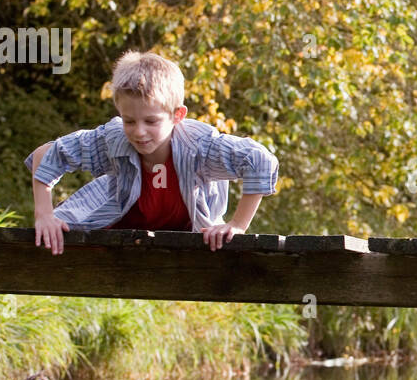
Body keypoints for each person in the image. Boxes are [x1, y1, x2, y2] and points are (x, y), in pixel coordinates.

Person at [25, 50, 279, 255]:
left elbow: (259, 160)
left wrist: (237, 225)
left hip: (186, 230)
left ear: (177, 115)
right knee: (46, 241)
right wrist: (44, 215)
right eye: (129, 121)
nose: (139, 132)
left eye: (151, 121)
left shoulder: (200, 147)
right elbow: (46, 154)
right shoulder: (113, 139)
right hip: (120, 221)